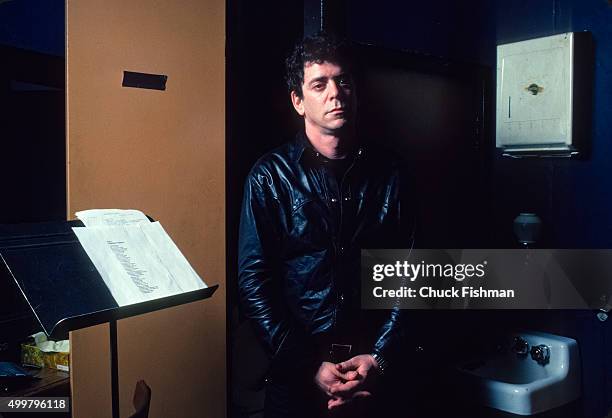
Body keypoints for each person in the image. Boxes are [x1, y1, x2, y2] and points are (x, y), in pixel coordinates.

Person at [238, 32, 414, 418]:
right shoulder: (270, 177)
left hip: (375, 373)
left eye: (343, 81)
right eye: (319, 84)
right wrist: (308, 367)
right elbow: (254, 281)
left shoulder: (393, 173)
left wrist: (380, 357)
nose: (335, 92)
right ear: (298, 101)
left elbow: (412, 272)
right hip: (297, 378)